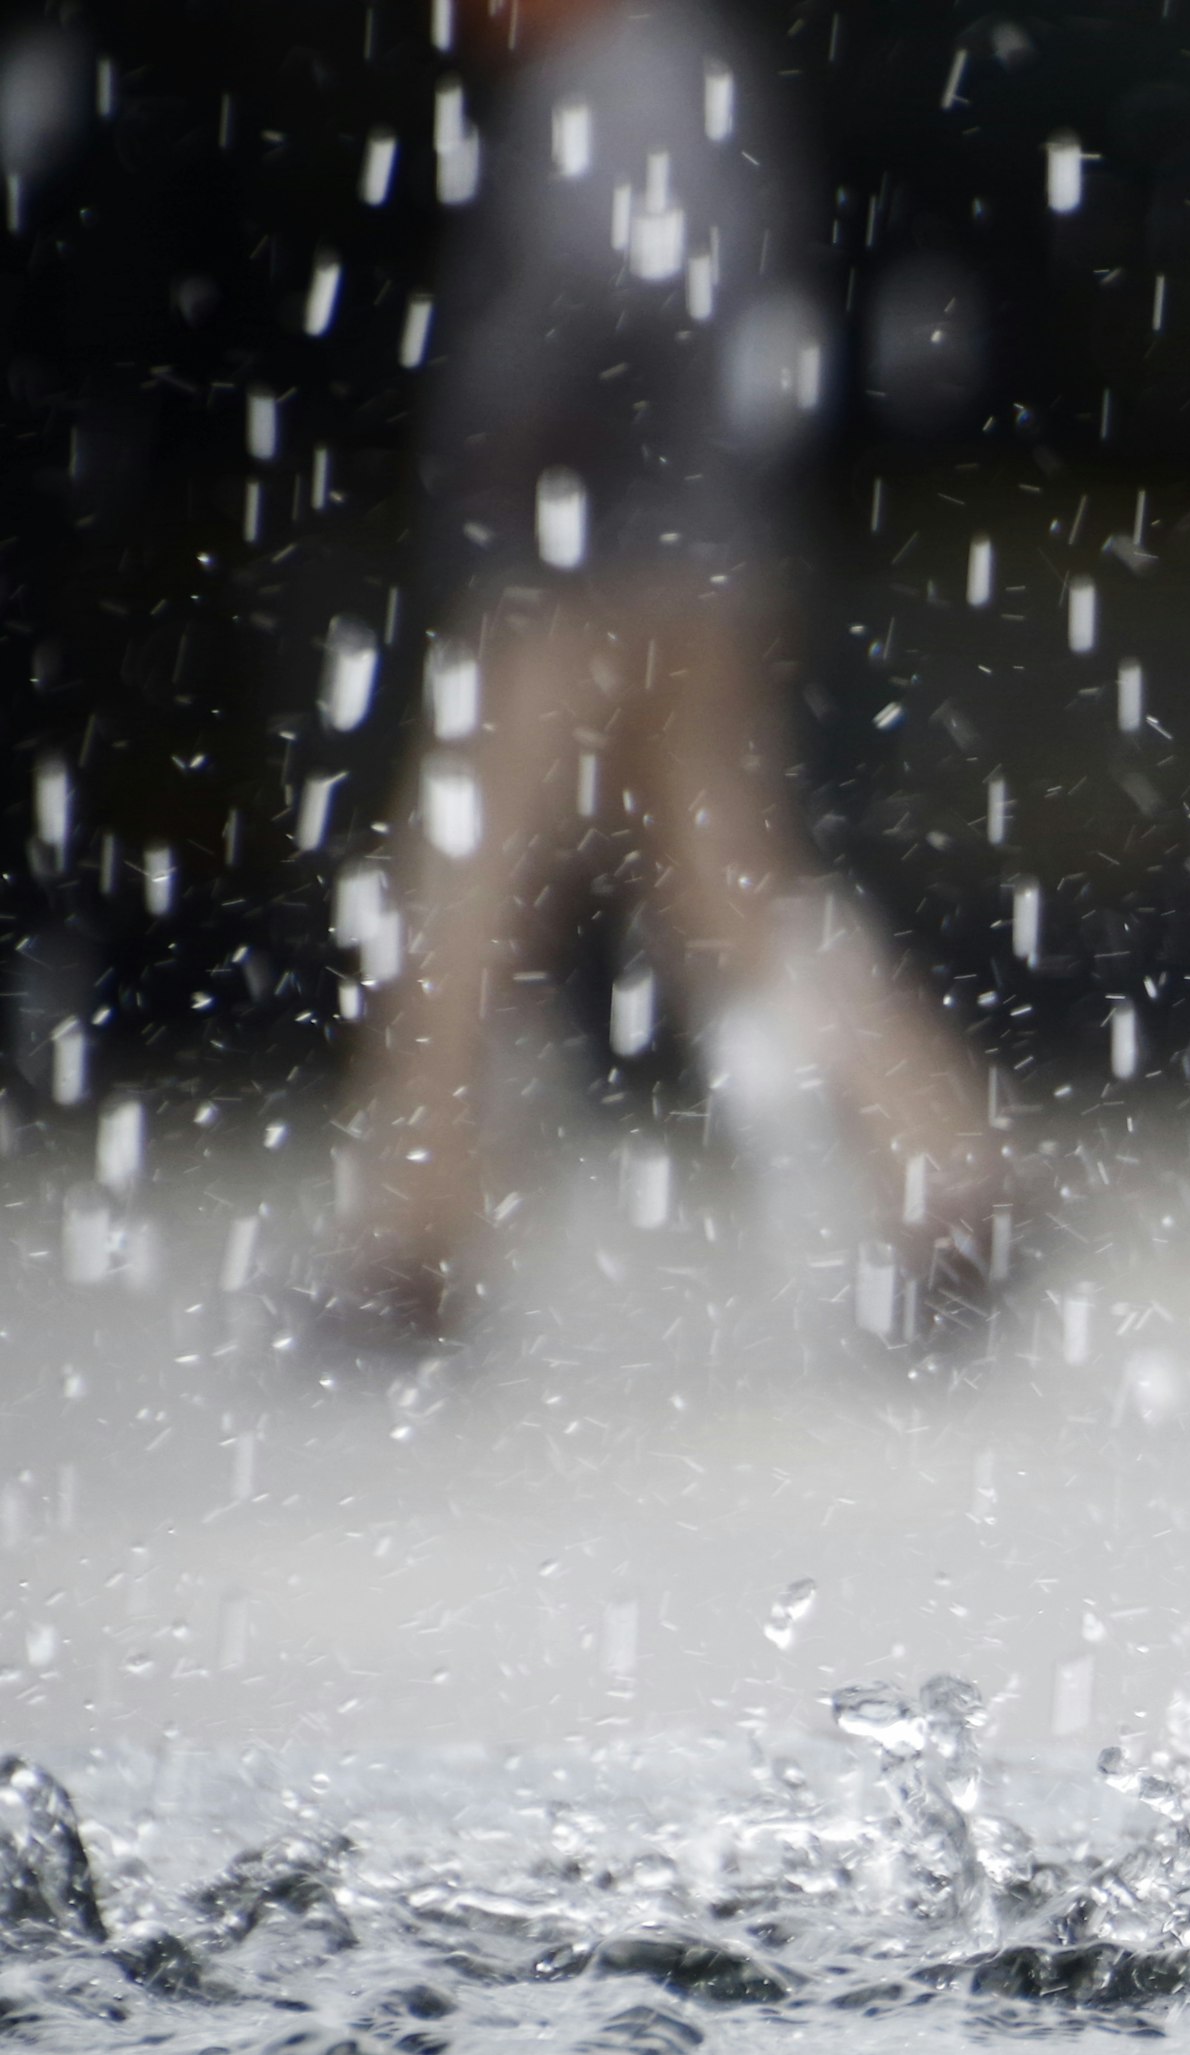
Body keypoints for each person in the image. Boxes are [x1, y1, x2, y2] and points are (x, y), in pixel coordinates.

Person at [332, 0, 1004, 1340]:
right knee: (724, 893)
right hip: (687, 548)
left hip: (588, 570)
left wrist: (521, 421)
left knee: (462, 888)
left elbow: (630, 277)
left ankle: (417, 1240)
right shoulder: (678, 67)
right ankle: (954, 1182)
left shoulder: (624, 74)